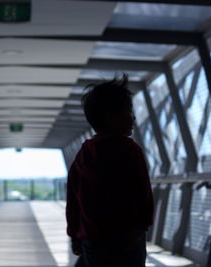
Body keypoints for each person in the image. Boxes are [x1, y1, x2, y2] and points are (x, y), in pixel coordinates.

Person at [66, 75, 154, 267]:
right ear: (111, 118)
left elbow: (73, 200)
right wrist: (141, 225)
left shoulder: (82, 155)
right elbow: (142, 192)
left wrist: (74, 235)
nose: (133, 118)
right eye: (129, 112)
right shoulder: (130, 150)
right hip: (127, 235)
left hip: (92, 238)